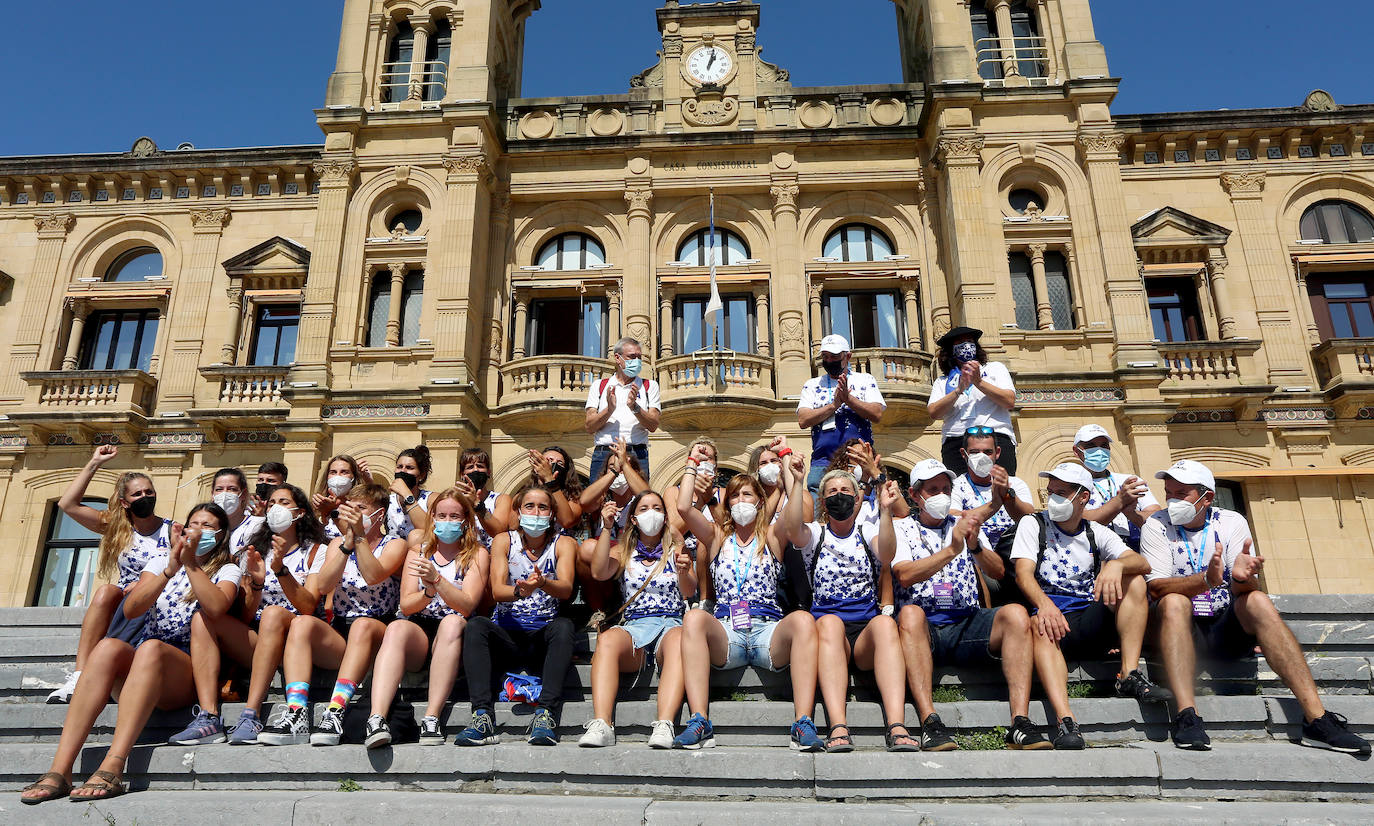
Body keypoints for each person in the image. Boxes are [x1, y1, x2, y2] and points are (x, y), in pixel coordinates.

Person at [1144, 460, 1370, 755]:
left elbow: (1243, 589)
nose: (1172, 500)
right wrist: (1206, 580)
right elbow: (1157, 587)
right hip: (1181, 629)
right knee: (1173, 601)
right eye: (1168, 492)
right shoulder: (1157, 524)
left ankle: (1316, 718)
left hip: (1225, 626)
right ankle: (1187, 715)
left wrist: (1241, 578)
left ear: (1207, 497)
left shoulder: (1231, 521)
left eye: (1181, 494)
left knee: (1258, 600)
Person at [21, 504, 239, 804]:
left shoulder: (227, 569)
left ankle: (114, 762)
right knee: (108, 646)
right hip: (144, 665)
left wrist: (190, 565)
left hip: (185, 671)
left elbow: (216, 608)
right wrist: (169, 569)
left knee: (150, 648)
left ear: (220, 535)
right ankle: (60, 769)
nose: (199, 530)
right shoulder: (161, 560)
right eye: (194, 523)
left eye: (208, 525)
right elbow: (132, 609)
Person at [889, 459, 1049, 751]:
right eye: (933, 489)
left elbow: (998, 572)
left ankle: (1021, 721)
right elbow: (904, 575)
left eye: (946, 489)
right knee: (910, 614)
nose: (941, 495)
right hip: (925, 628)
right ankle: (930, 721)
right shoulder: (901, 528)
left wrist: (974, 545)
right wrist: (952, 549)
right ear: (915, 496)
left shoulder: (965, 523)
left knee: (1015, 613)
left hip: (966, 622)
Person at [1011, 462, 1172, 750]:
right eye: (1051, 492)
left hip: (1090, 616)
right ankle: (1065, 720)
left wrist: (1114, 565)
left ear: (1082, 497)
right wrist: (1045, 605)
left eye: (1061, 492)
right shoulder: (1033, 523)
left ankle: (1129, 674)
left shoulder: (1095, 530)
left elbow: (1143, 563)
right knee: (1039, 623)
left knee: (1133, 580)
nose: (1053, 499)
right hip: (1053, 621)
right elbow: (1023, 573)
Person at [671, 463, 824, 751]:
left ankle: (803, 722)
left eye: (747, 495)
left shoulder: (774, 536)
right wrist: (691, 462)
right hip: (727, 632)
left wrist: (796, 477)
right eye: (735, 496)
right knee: (693, 617)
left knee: (804, 619)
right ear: (727, 504)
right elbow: (683, 508)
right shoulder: (717, 536)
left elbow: (796, 516)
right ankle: (699, 720)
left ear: (760, 501)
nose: (741, 501)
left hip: (768, 631)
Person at [168, 484, 327, 745]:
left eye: (285, 502)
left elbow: (308, 607)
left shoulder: (315, 551)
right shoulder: (252, 552)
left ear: (300, 512)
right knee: (203, 617)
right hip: (261, 639)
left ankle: (251, 714)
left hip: (300, 638)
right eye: (272, 502)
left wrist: (281, 570)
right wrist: (256, 583)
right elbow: (245, 615)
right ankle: (209, 717)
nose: (276, 508)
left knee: (274, 614)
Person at [779, 455, 914, 752]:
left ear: (856, 500)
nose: (839, 496)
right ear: (823, 503)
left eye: (845, 492)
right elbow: (791, 530)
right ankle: (838, 726)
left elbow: (888, 554)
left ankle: (896, 725)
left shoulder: (868, 531)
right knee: (828, 622)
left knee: (885, 623)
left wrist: (886, 512)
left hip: (865, 633)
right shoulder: (815, 533)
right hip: (829, 634)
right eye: (832, 493)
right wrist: (799, 482)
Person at [258, 482, 406, 746]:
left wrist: (360, 538)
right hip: (341, 631)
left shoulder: (395, 544)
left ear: (379, 515)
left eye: (361, 508)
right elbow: (325, 585)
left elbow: (373, 575)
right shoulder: (337, 543)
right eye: (351, 507)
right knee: (302, 623)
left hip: (378, 633)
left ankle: (336, 710)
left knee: (362, 625)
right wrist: (346, 545)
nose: (354, 513)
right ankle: (296, 713)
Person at [47, 445, 175, 704]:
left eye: (149, 492)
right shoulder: (118, 528)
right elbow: (67, 504)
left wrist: (145, 583)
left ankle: (107, 671)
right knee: (105, 590)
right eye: (137, 494)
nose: (144, 497)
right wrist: (95, 462)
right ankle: (80, 676)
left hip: (158, 602)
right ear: (125, 502)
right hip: (124, 605)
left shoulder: (172, 531)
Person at [365, 487, 490, 748]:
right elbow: (407, 604)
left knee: (452, 621)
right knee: (398, 627)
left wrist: (437, 580)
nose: (447, 521)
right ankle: (376, 718)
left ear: (466, 520)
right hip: (422, 630)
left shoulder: (477, 554)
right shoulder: (418, 552)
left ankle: (431, 718)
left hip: (456, 634)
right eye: (441, 515)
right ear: (432, 518)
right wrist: (429, 592)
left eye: (454, 516)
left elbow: (466, 605)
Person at [456, 486, 577, 746]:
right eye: (530, 506)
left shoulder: (563, 543)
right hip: (508, 633)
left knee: (565, 626)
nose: (536, 512)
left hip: (542, 635)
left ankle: (545, 714)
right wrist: (522, 591)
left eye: (543, 507)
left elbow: (566, 588)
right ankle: (482, 716)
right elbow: (498, 591)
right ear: (519, 512)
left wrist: (543, 583)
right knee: (476, 625)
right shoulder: (504, 540)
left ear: (552, 514)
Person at [579, 491, 693, 747]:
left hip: (671, 622)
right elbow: (598, 572)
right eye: (643, 508)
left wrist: (684, 571)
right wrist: (607, 527)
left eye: (656, 507)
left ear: (665, 517)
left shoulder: (677, 548)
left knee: (678, 640)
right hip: (636, 626)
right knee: (607, 640)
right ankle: (602, 724)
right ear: (632, 518)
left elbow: (688, 591)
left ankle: (664, 724)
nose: (650, 513)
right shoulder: (622, 551)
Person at [950, 427, 1035, 605]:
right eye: (974, 452)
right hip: (979, 559)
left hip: (1015, 557)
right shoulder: (955, 486)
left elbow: (1029, 518)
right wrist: (993, 505)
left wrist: (1007, 495)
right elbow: (954, 518)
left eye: (987, 452)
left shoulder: (1015, 483)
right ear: (964, 454)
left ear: (997, 453)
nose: (981, 457)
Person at [796, 334, 886, 495]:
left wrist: (849, 399)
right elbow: (803, 420)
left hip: (858, 463)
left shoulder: (865, 380)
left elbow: (877, 413)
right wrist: (833, 405)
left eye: (835, 356)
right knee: (819, 516)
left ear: (848, 356)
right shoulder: (812, 385)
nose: (829, 361)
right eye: (825, 357)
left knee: (863, 510)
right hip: (822, 462)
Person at [577, 439, 651, 630]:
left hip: (630, 552)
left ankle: (621, 604)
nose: (618, 470)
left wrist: (624, 464)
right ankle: (599, 608)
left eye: (623, 466)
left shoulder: (639, 502)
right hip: (602, 557)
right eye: (613, 467)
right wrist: (613, 472)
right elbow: (584, 501)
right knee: (587, 548)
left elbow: (647, 495)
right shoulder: (601, 499)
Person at [926, 326, 1017, 475]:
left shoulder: (995, 369)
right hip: (957, 442)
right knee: (961, 492)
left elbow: (1009, 401)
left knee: (1001, 489)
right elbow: (934, 412)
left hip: (995, 436)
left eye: (969, 341)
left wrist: (978, 382)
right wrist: (958, 390)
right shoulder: (942, 381)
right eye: (960, 342)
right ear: (951, 350)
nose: (966, 345)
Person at [1072, 424, 1160, 551]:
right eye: (1091, 446)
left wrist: (1132, 514)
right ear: (1076, 451)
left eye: (1104, 445)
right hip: (1094, 554)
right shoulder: (1071, 485)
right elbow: (1077, 520)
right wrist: (1120, 501)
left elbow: (1157, 518)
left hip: (1135, 551)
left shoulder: (1131, 480)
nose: (1099, 451)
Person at [586, 336, 661, 483]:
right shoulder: (599, 386)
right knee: (597, 502)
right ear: (618, 358)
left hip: (637, 454)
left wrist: (635, 407)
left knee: (639, 501)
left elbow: (653, 425)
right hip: (604, 453)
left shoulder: (649, 386)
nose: (637, 361)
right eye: (632, 357)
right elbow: (589, 426)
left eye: (639, 357)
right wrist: (609, 409)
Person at [510, 446, 584, 534]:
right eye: (548, 461)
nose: (552, 465)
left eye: (560, 463)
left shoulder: (573, 498)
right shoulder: (521, 496)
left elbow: (567, 521)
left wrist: (549, 480)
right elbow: (513, 526)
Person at [454, 447, 513, 548]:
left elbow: (498, 531)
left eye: (480, 466)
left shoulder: (501, 499)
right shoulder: (454, 501)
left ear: (488, 472)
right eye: (470, 467)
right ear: (462, 474)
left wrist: (478, 505)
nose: (475, 470)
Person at [310, 454, 369, 539]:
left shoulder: (361, 507)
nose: (338, 476)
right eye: (333, 472)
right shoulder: (318, 505)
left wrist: (332, 512)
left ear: (353, 477)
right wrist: (323, 514)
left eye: (344, 472)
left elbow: (359, 540)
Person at [387, 445, 432, 538]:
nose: (403, 471)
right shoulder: (388, 501)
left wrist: (406, 494)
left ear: (422, 475)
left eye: (409, 468)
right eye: (399, 467)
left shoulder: (431, 499)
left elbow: (429, 531)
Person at [208, 468, 255, 555]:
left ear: (243, 494)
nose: (224, 494)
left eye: (232, 489)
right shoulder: (206, 530)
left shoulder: (256, 526)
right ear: (212, 494)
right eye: (219, 489)